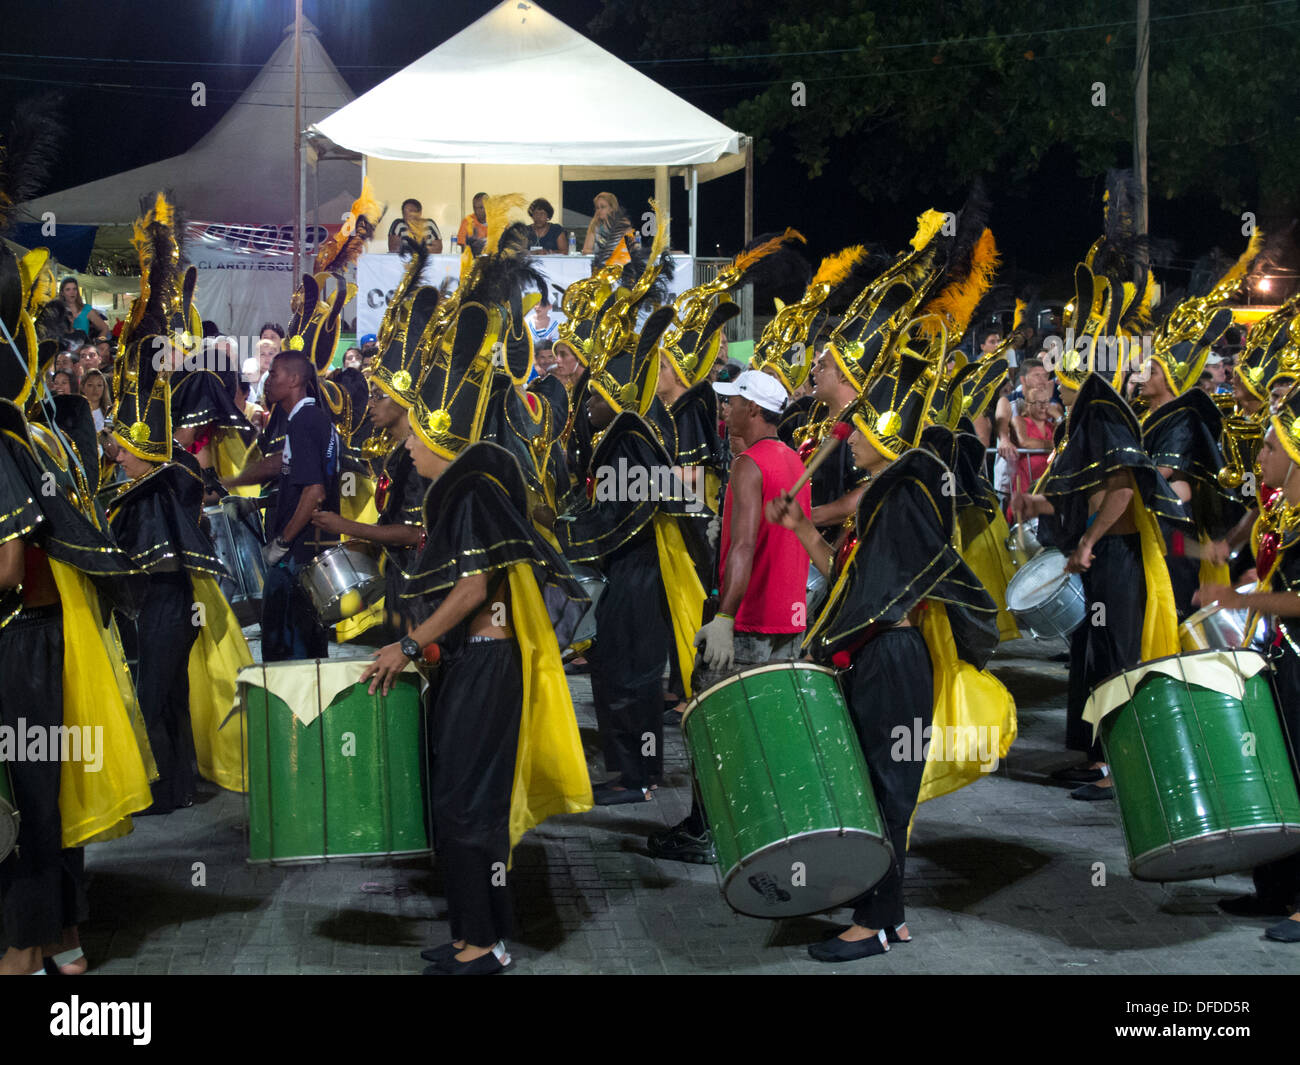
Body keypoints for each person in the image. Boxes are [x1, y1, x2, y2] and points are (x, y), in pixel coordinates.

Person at [361, 296, 591, 976]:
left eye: (414, 436)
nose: (405, 442)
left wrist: (406, 645)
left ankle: (484, 944)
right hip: (473, 663)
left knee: (470, 804)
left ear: (438, 435)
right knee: (459, 800)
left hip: (488, 666)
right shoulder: (466, 491)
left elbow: (470, 589)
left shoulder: (468, 493)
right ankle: (472, 927)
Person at [766, 350, 1007, 962]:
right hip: (881, 656)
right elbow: (850, 583)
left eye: (862, 432)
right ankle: (890, 915)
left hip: (894, 659)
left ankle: (873, 922)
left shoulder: (902, 500)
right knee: (879, 787)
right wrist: (800, 529)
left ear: (881, 438)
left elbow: (880, 596)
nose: (849, 441)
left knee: (887, 791)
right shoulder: (885, 501)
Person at [1013, 271, 1185, 801]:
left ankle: (1120, 770)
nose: (1048, 377)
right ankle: (1097, 757)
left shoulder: (1105, 411)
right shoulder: (1086, 413)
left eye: (1056, 369)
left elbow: (1125, 490)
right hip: (1103, 551)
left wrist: (1089, 543)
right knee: (1096, 657)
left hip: (1117, 554)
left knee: (1118, 660)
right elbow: (1086, 491)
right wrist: (1038, 503)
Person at [651, 369, 811, 862]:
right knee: (763, 731)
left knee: (716, 728)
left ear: (755, 411)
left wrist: (724, 617)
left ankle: (708, 832)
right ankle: (757, 824)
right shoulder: (791, 459)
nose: (724, 409)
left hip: (747, 623)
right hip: (788, 621)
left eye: (733, 402)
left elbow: (742, 547)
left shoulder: (747, 464)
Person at [1203, 405, 1300, 941]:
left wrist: (1237, 596)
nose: (1259, 455)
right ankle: (1276, 890)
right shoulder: (1281, 511)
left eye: (1269, 447)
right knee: (1279, 776)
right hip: (1277, 659)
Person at [227, 350, 341, 660]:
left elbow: (315, 491)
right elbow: (288, 470)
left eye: (274, 375)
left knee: (287, 652)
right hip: (308, 552)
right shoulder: (312, 419)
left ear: (294, 379)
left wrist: (282, 541)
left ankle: (288, 709)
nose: (268, 382)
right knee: (307, 645)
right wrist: (254, 497)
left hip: (298, 554)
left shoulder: (304, 422)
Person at [1008, 384, 1054, 502]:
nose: (1044, 407)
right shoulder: (1019, 421)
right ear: (1028, 405)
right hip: (1026, 481)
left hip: (1047, 482)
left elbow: (1064, 441)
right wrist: (1052, 444)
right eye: (1040, 403)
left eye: (1047, 402)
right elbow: (1025, 443)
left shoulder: (1052, 426)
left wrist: (1058, 416)